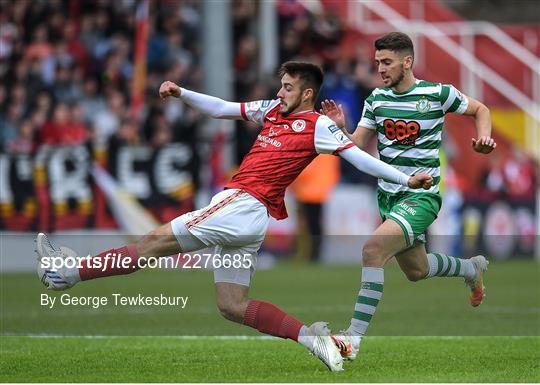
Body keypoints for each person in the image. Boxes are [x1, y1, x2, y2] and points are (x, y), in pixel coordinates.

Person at [36, 61, 433, 372]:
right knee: (232, 305)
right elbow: (224, 109)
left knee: (153, 242)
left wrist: (405, 179)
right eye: (281, 85)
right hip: (248, 218)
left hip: (243, 203)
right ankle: (316, 341)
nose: (280, 92)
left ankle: (65, 273)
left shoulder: (318, 126)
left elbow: (362, 160)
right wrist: (182, 93)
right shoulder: (273, 109)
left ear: (308, 93)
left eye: (289, 87)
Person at [320, 32, 497, 362]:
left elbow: (480, 109)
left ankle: (351, 340)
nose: (381, 69)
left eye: (387, 62)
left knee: (372, 250)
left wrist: (483, 137)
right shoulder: (376, 99)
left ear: (407, 62)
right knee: (416, 271)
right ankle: (470, 269)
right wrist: (339, 129)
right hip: (389, 197)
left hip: (422, 197)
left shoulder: (436, 94)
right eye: (377, 63)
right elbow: (357, 144)